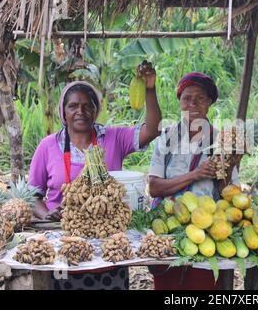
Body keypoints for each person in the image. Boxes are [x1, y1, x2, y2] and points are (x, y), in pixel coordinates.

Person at [28, 61, 161, 290]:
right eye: (73, 106)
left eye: (87, 106)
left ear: (95, 110)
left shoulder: (113, 138)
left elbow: (152, 129)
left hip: (108, 240)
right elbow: (33, 195)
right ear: (64, 111)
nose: (80, 111)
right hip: (64, 243)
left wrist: (149, 88)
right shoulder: (48, 146)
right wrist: (49, 215)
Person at [148, 72, 240, 290]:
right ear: (180, 102)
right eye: (187, 98)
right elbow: (154, 187)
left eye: (200, 98)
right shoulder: (167, 137)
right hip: (169, 225)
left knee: (201, 285)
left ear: (209, 103)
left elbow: (230, 193)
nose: (193, 104)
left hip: (207, 228)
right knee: (168, 286)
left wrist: (231, 165)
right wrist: (195, 174)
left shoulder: (222, 141)